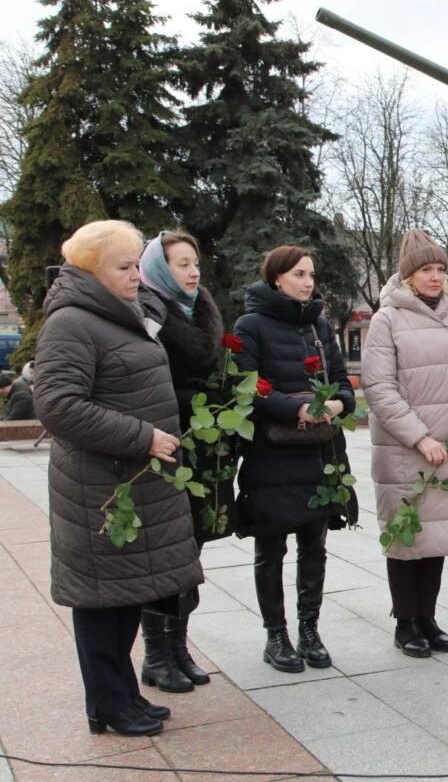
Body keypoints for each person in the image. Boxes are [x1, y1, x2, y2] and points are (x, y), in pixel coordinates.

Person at [34, 220, 203, 736]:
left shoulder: (118, 312)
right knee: (101, 600)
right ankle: (107, 704)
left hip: (132, 482)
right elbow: (58, 405)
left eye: (137, 264)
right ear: (90, 271)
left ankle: (122, 696)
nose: (137, 275)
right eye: (125, 267)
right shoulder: (71, 322)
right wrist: (142, 438)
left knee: (125, 595)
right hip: (100, 486)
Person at [362, 229, 448, 658]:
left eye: (440, 269)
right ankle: (405, 622)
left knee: (438, 534)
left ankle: (428, 618)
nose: (435, 278)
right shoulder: (387, 320)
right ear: (408, 275)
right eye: (425, 270)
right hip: (405, 449)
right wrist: (420, 437)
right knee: (407, 536)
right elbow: (379, 389)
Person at [234, 245, 358, 672]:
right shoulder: (250, 326)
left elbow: (342, 382)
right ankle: (276, 635)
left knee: (315, 546)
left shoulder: (319, 326)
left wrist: (340, 404)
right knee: (271, 549)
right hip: (271, 455)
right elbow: (248, 387)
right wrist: (296, 408)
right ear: (276, 279)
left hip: (319, 452)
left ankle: (309, 630)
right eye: (299, 274)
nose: (308, 282)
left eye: (311, 275)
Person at [135, 230, 227, 694]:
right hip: (165, 445)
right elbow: (140, 385)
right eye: (182, 263)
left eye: (196, 263)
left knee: (189, 551)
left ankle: (179, 646)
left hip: (201, 448)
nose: (193, 272)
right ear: (157, 269)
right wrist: (197, 401)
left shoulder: (201, 310)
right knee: (163, 553)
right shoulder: (147, 312)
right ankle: (156, 655)